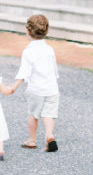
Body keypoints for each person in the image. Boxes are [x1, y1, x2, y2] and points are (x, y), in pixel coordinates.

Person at [10, 13, 60, 152]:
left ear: (27, 31)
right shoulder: (49, 49)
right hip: (52, 89)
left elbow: (24, 72)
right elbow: (54, 69)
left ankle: (32, 140)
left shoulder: (28, 51)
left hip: (36, 89)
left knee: (33, 114)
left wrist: (14, 86)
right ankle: (49, 136)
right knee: (49, 114)